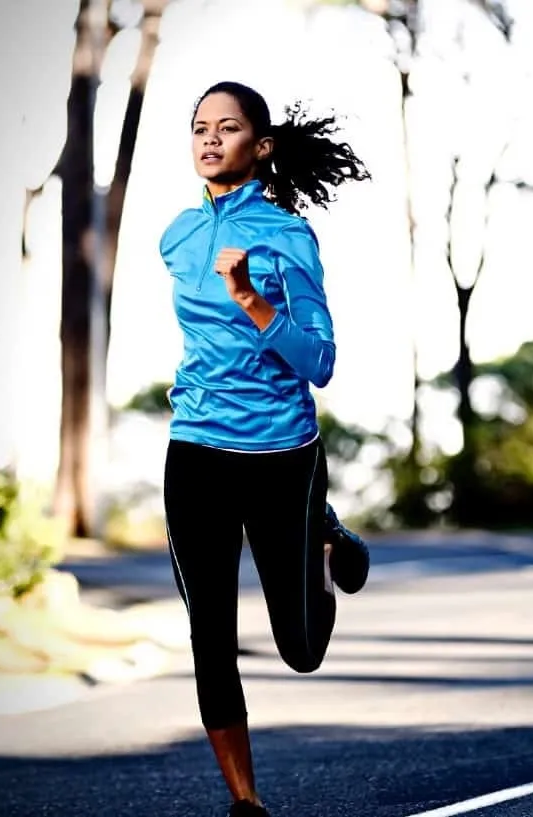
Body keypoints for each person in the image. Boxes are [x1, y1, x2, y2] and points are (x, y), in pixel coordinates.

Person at [159, 80, 372, 817]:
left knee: (301, 648)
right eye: (199, 127)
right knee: (208, 632)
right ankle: (245, 801)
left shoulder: (287, 235)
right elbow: (202, 340)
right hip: (196, 451)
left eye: (227, 127)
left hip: (282, 455)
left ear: (262, 145)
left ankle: (324, 532)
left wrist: (251, 298)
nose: (210, 139)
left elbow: (319, 361)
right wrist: (191, 387)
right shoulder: (178, 236)